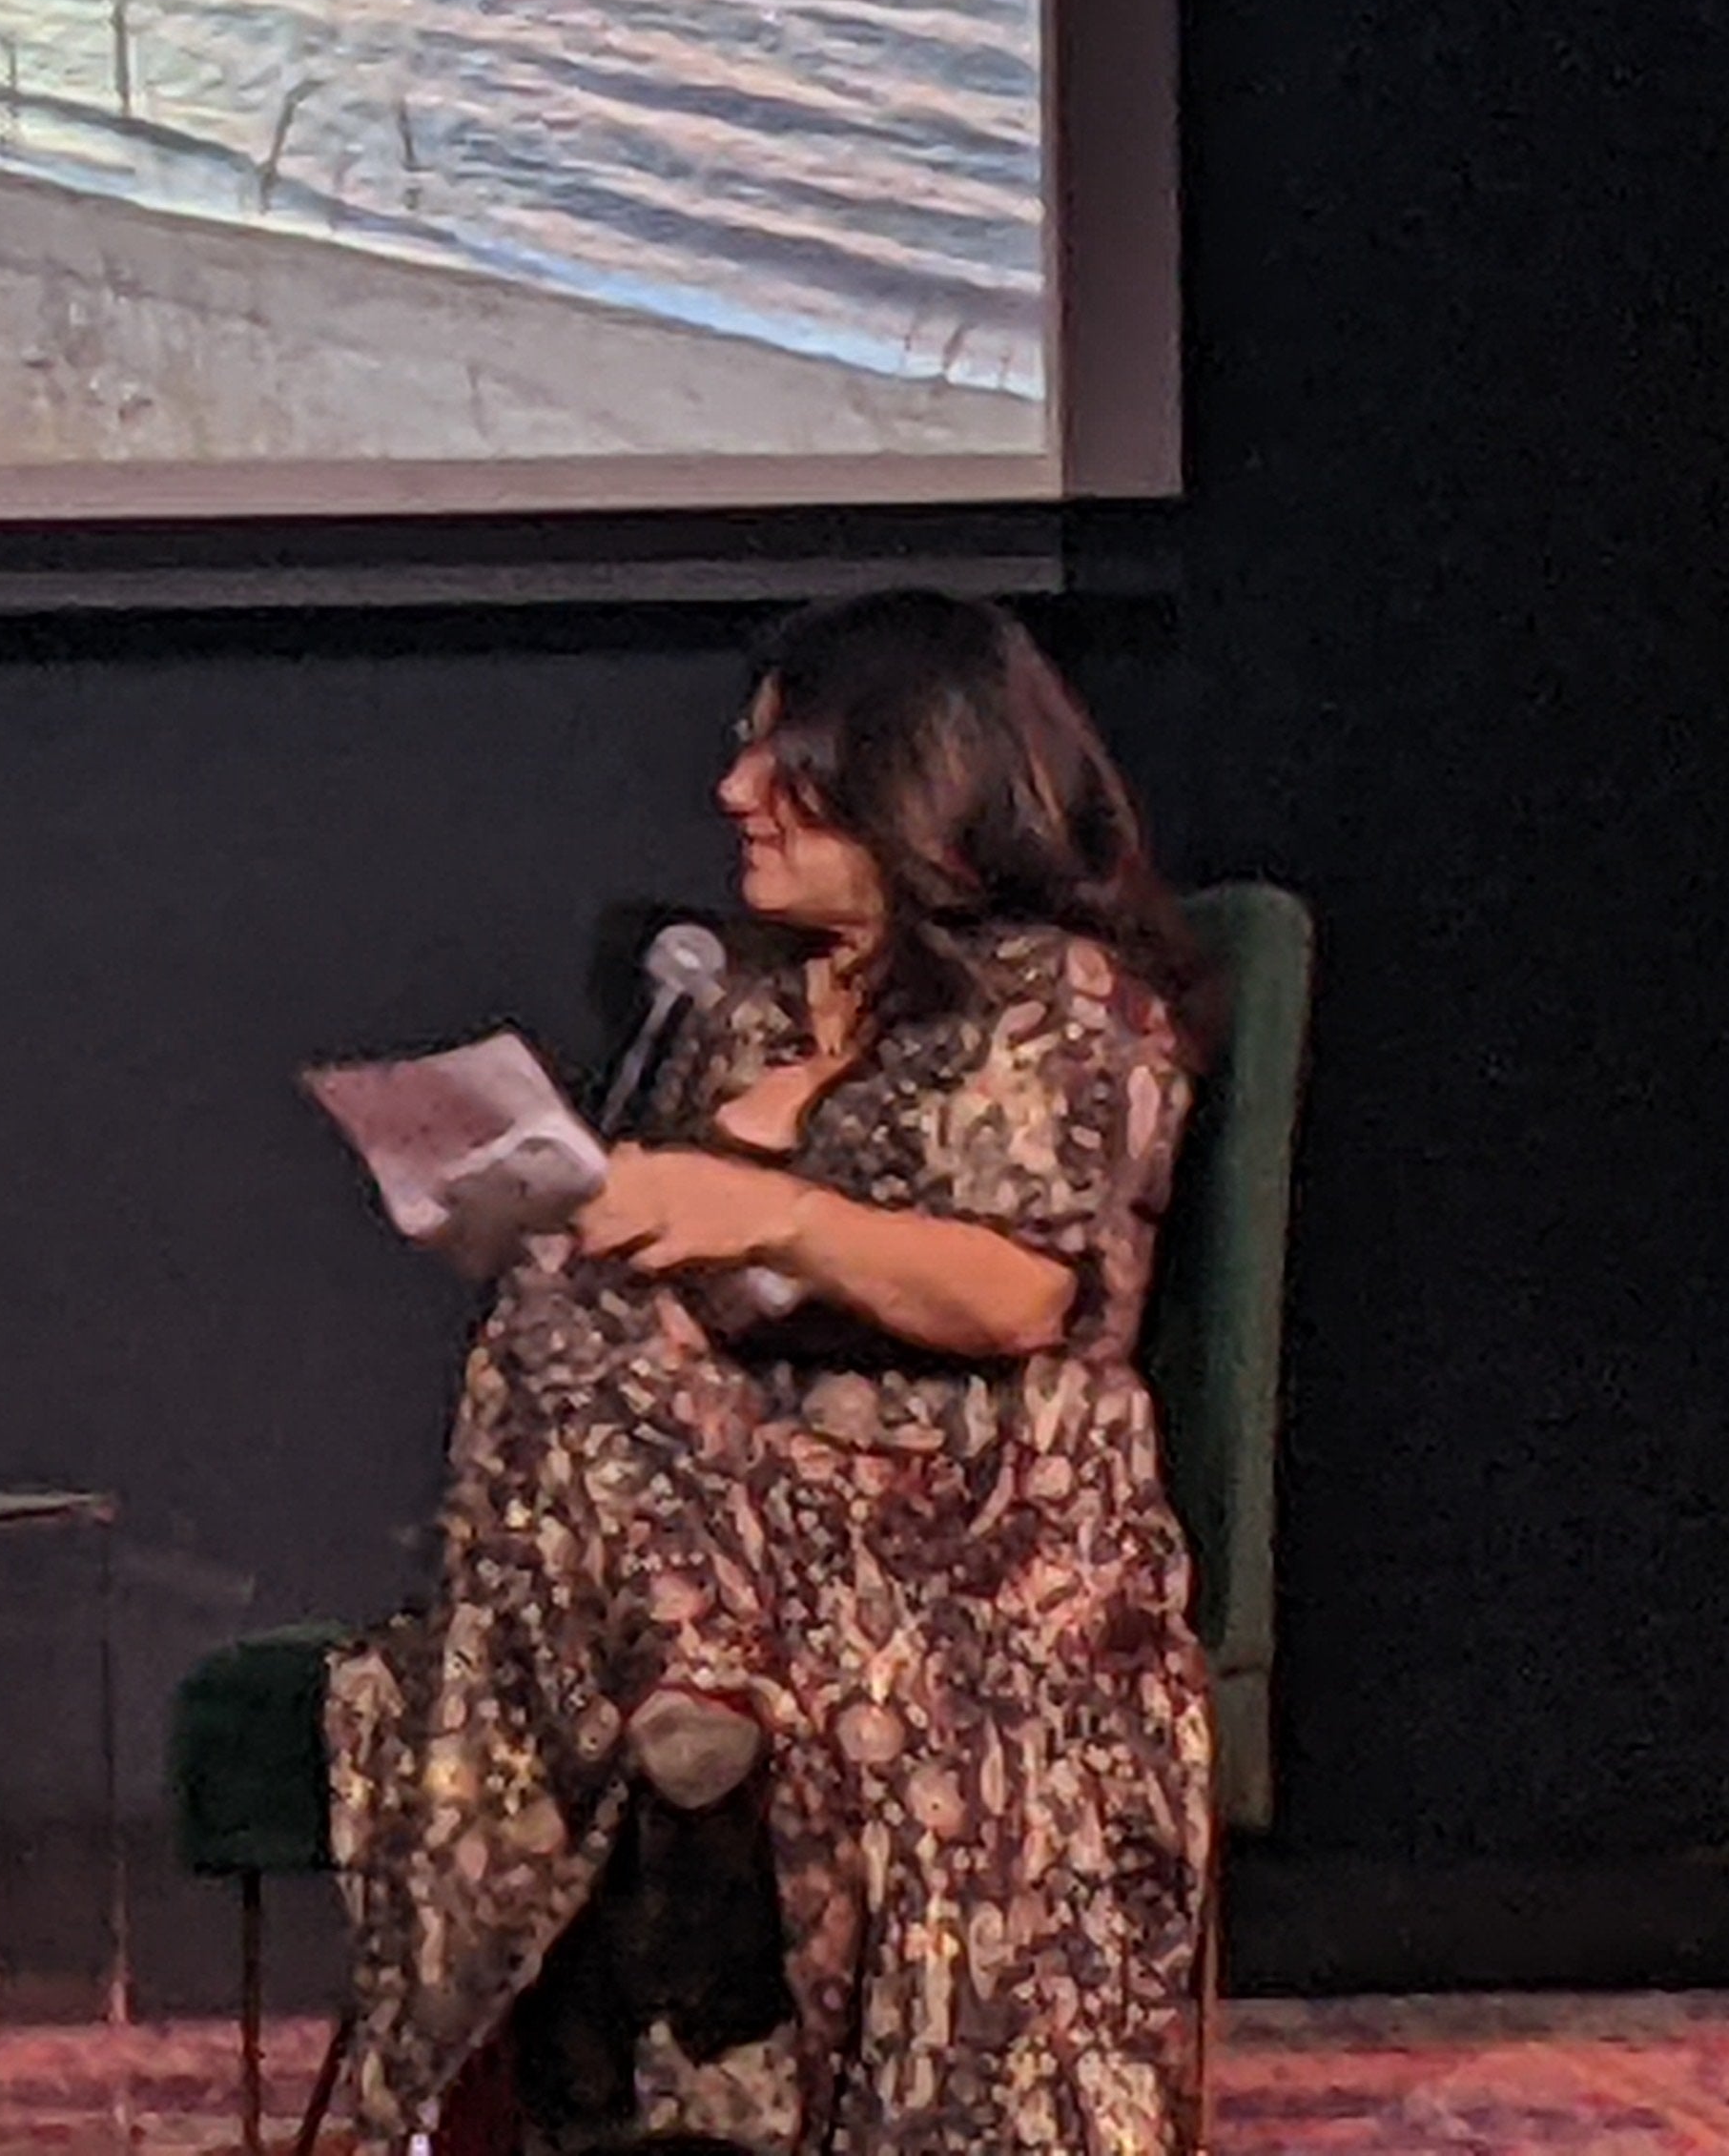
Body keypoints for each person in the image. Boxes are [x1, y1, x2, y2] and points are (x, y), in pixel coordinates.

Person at [325, 590, 1217, 2154]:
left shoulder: (1062, 1008)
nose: (734, 794)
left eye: (779, 760)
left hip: (967, 1538)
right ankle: (695, 1667)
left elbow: (1022, 1295)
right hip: (745, 1505)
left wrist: (770, 1213)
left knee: (577, 1381)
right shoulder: (732, 1008)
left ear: (916, 780)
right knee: (564, 1306)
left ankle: (692, 1664)